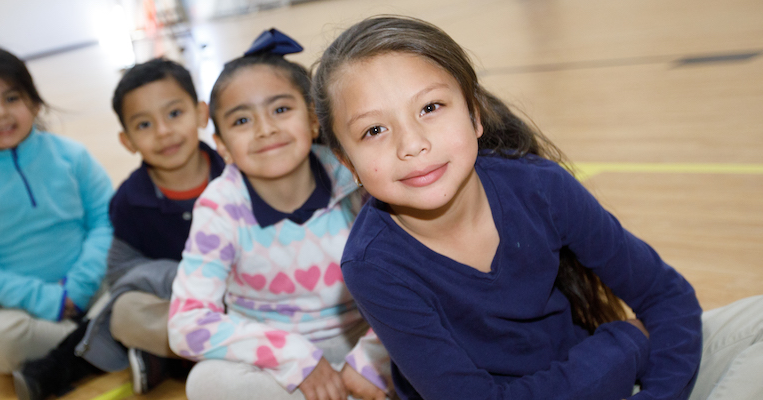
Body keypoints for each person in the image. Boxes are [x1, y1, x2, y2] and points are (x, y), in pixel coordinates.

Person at [313, 15, 763, 400]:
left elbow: (666, 296)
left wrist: (661, 393)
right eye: (374, 130)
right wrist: (625, 345)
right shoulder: (373, 265)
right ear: (347, 162)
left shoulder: (538, 187)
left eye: (430, 107)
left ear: (474, 114)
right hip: (601, 370)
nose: (413, 144)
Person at [167, 29, 392, 400]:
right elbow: (186, 324)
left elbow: (416, 276)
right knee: (206, 383)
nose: (266, 129)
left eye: (281, 110)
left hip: (366, 342)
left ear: (314, 120)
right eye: (242, 121)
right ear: (221, 144)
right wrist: (295, 357)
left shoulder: (357, 179)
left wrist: (370, 360)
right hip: (273, 361)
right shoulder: (220, 207)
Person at [0, 47, 113, 400]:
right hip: (20, 311)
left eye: (11, 98)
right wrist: (45, 299)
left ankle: (72, 354)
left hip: (91, 287)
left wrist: (77, 287)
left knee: (140, 285)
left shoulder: (72, 156)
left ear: (34, 103)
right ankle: (105, 343)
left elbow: (105, 222)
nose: (0, 113)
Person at [74, 57, 225, 394]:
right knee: (125, 313)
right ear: (127, 140)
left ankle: (176, 360)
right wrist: (187, 278)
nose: (163, 132)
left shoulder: (235, 172)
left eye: (174, 114)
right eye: (144, 125)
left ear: (201, 114)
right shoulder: (128, 201)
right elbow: (120, 271)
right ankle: (205, 355)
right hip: (182, 301)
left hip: (244, 295)